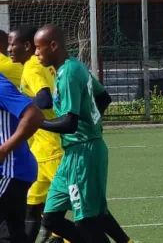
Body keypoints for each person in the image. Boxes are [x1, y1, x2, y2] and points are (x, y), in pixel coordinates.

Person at [34, 24, 131, 243]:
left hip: (83, 152)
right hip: (73, 154)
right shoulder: (74, 67)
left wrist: (38, 123)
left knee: (86, 221)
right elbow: (103, 98)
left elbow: (69, 123)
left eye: (39, 48)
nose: (36, 53)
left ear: (53, 45)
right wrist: (91, 121)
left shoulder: (69, 73)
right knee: (51, 219)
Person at [8, 25, 65, 243]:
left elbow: (44, 100)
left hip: (52, 149)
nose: (9, 49)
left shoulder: (32, 67)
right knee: (32, 204)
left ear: (26, 46)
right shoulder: (40, 64)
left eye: (12, 44)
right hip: (41, 150)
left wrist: (18, 102)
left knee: (82, 209)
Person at [0, 66, 43, 243]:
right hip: (15, 172)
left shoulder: (1, 86)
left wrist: (4, 150)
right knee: (12, 235)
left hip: (9, 170)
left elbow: (34, 115)